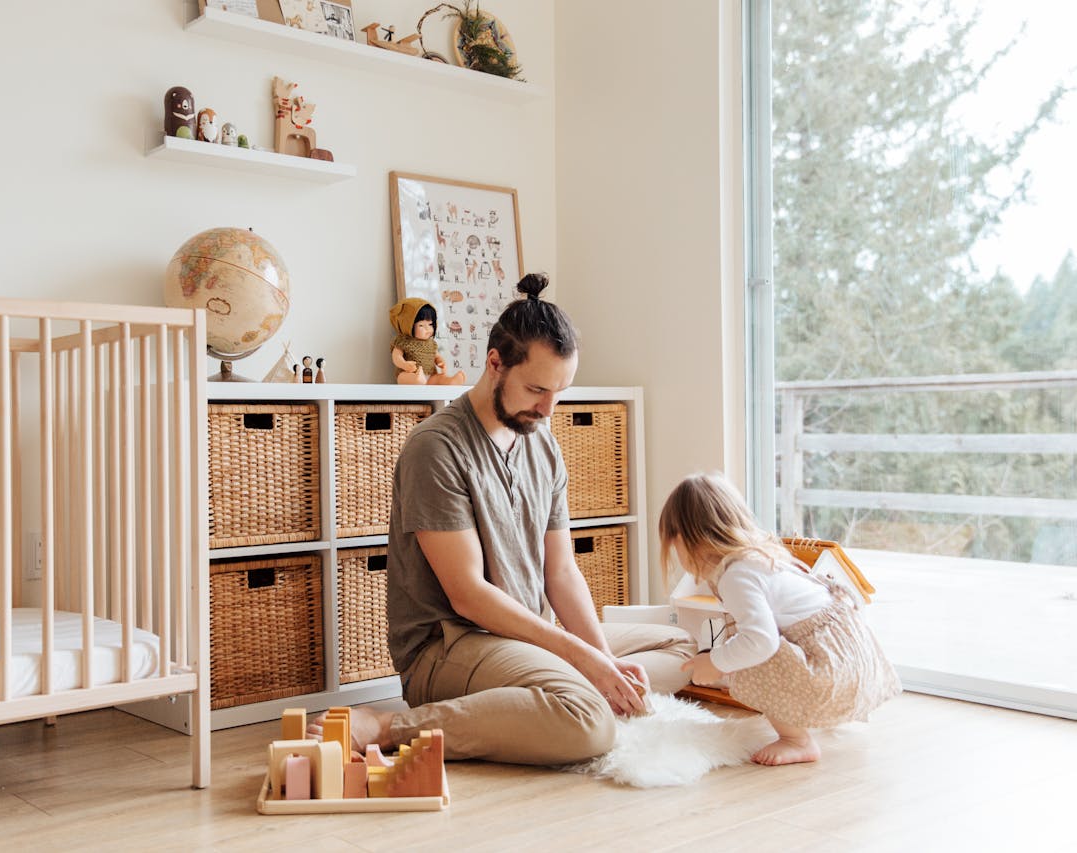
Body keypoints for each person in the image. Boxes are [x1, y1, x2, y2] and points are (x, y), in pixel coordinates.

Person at [316, 274, 696, 765]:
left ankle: (551, 691)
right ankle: (389, 725)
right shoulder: (436, 448)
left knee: (682, 646)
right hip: (452, 646)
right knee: (588, 723)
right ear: (495, 363)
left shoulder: (542, 441)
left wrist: (604, 662)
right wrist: (584, 663)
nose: (548, 408)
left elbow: (560, 572)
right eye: (537, 389)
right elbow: (468, 594)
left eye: (560, 391)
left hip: (529, 633)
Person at [659, 473, 901, 766]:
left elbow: (761, 641)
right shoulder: (761, 558)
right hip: (857, 668)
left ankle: (797, 741)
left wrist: (715, 662)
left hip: (836, 677)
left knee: (754, 653)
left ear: (684, 539)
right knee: (750, 647)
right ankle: (800, 727)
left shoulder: (737, 575)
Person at [388, 298, 466, 385]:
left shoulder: (431, 344)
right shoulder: (403, 341)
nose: (427, 329)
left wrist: (440, 361)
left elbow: (436, 356)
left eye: (430, 324)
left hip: (430, 375)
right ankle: (417, 379)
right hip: (410, 373)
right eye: (421, 325)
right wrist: (404, 364)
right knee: (403, 377)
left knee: (439, 378)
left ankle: (450, 381)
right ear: (407, 325)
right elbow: (396, 357)